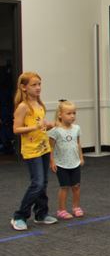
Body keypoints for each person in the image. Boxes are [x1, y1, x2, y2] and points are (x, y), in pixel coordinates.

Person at [10, 72, 58, 230]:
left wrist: (49, 125)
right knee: (37, 183)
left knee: (43, 183)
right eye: (34, 85)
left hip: (43, 147)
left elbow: (41, 123)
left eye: (39, 84)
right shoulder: (23, 107)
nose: (38, 88)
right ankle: (19, 215)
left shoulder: (39, 105)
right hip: (32, 150)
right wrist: (34, 127)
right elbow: (16, 129)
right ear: (24, 87)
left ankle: (41, 214)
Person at [48, 100, 85, 219]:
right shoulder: (55, 131)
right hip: (61, 164)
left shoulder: (76, 128)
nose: (72, 116)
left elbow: (78, 144)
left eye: (74, 113)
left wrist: (81, 157)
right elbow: (51, 147)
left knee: (76, 186)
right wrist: (52, 161)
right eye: (69, 113)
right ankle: (61, 210)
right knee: (64, 187)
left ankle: (76, 207)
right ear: (60, 115)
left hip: (74, 162)